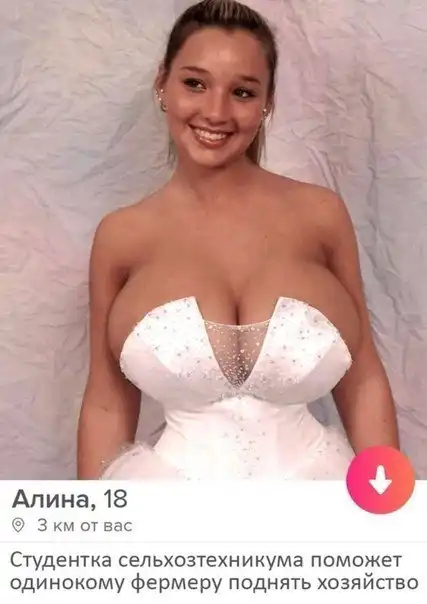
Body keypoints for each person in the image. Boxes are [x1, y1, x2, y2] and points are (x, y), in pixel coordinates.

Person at [77, 0, 399, 480]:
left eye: (243, 92)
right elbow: (107, 403)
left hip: (317, 499)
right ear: (162, 84)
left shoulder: (320, 215)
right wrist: (92, 520)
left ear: (267, 103)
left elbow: (363, 379)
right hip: (167, 507)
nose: (216, 112)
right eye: (195, 83)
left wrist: (392, 509)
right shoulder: (121, 237)